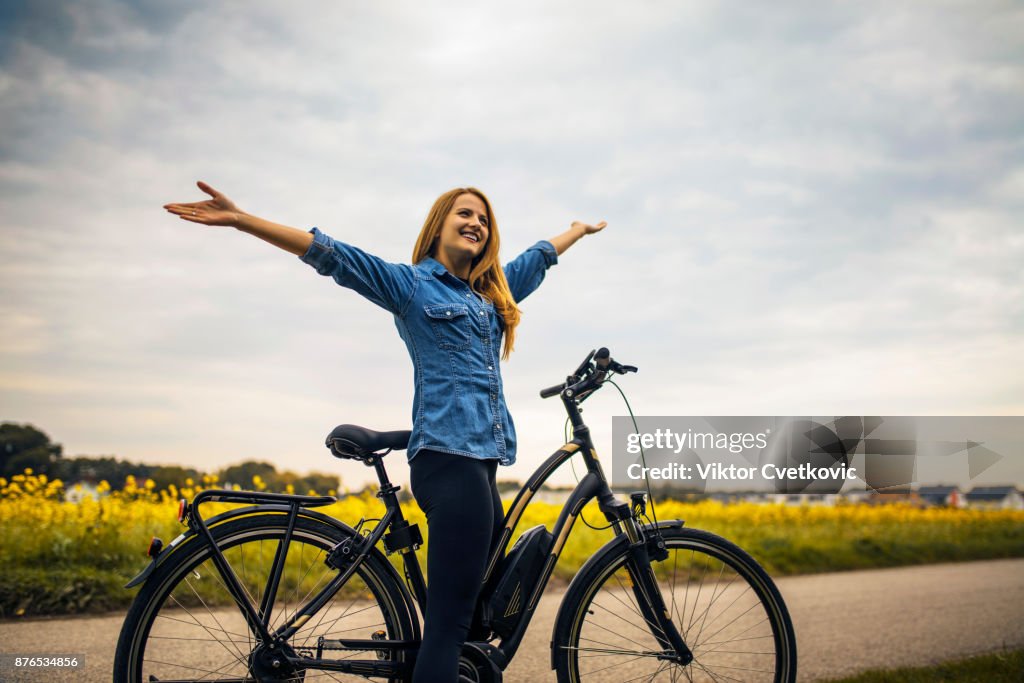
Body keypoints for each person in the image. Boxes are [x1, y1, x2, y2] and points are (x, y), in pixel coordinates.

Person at [163, 181, 606, 682]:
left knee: (470, 621)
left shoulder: (492, 297)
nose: (476, 224)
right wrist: (242, 219)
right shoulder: (412, 286)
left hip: (480, 468)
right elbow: (332, 255)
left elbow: (536, 259)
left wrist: (576, 230)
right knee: (450, 627)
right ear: (438, 225)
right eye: (464, 213)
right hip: (448, 463)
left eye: (484, 220)